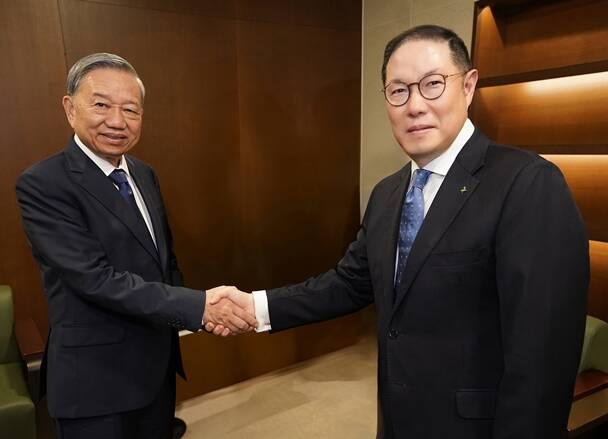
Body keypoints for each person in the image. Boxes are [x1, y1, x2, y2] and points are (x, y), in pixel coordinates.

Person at [208, 25, 589, 439]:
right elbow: (349, 283)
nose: (415, 106)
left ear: (468, 86)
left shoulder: (528, 183)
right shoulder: (387, 193)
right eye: (399, 91)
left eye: (433, 84)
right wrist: (256, 308)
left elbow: (544, 352)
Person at [16, 53, 256, 439]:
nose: (117, 121)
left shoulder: (143, 174)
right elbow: (96, 279)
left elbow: (164, 260)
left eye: (130, 109)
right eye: (101, 105)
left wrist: (197, 316)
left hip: (156, 370)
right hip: (96, 383)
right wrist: (199, 307)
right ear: (70, 108)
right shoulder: (44, 183)